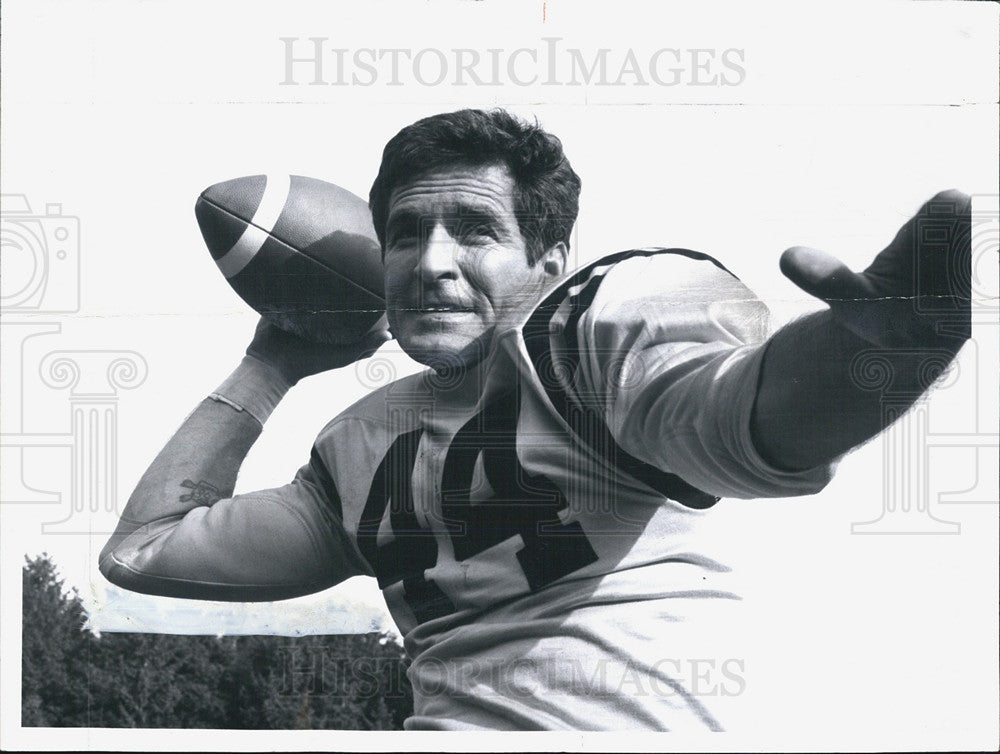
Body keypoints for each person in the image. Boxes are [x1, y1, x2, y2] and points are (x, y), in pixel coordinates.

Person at [99, 109, 971, 730]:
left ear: (549, 261)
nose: (432, 263)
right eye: (405, 233)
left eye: (474, 230)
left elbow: (747, 417)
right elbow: (143, 550)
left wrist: (876, 361)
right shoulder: (358, 443)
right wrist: (270, 364)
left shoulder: (594, 332)